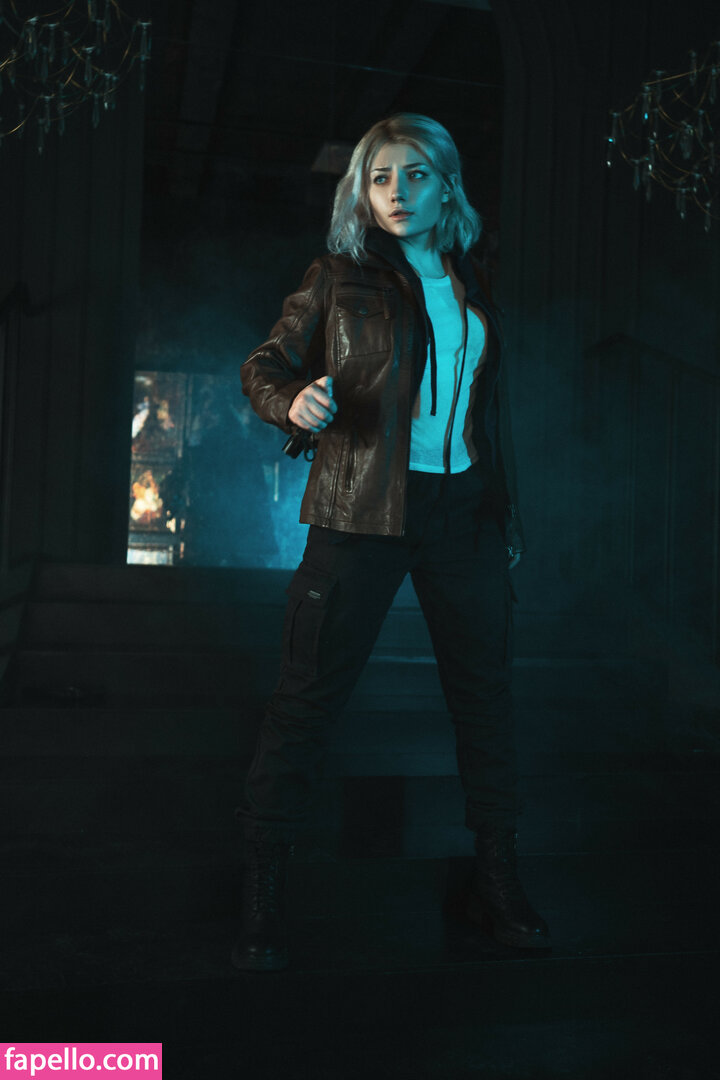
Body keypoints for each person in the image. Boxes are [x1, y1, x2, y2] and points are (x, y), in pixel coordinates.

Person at [232, 113, 550, 972]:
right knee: (306, 698)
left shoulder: (475, 280)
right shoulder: (338, 277)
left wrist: (505, 515)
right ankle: (262, 884)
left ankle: (496, 877)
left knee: (486, 702)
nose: (397, 192)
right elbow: (264, 365)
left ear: (447, 186)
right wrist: (293, 402)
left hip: (465, 514)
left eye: (415, 175)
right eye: (380, 178)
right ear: (361, 193)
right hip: (360, 512)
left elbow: (489, 413)